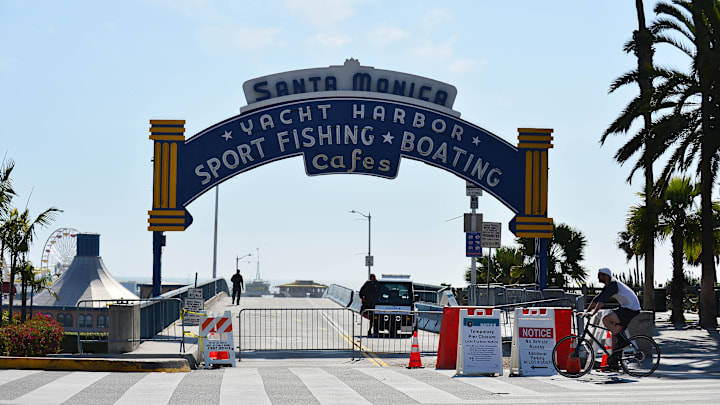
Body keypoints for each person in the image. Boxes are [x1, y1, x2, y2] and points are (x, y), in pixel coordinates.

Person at [584, 267, 641, 371]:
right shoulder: (609, 285)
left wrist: (593, 313)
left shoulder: (613, 284)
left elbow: (602, 301)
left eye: (599, 274)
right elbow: (597, 299)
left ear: (606, 276)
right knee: (615, 335)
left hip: (631, 308)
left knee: (606, 320)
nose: (597, 277)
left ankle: (623, 341)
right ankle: (614, 364)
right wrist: (586, 311)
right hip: (626, 307)